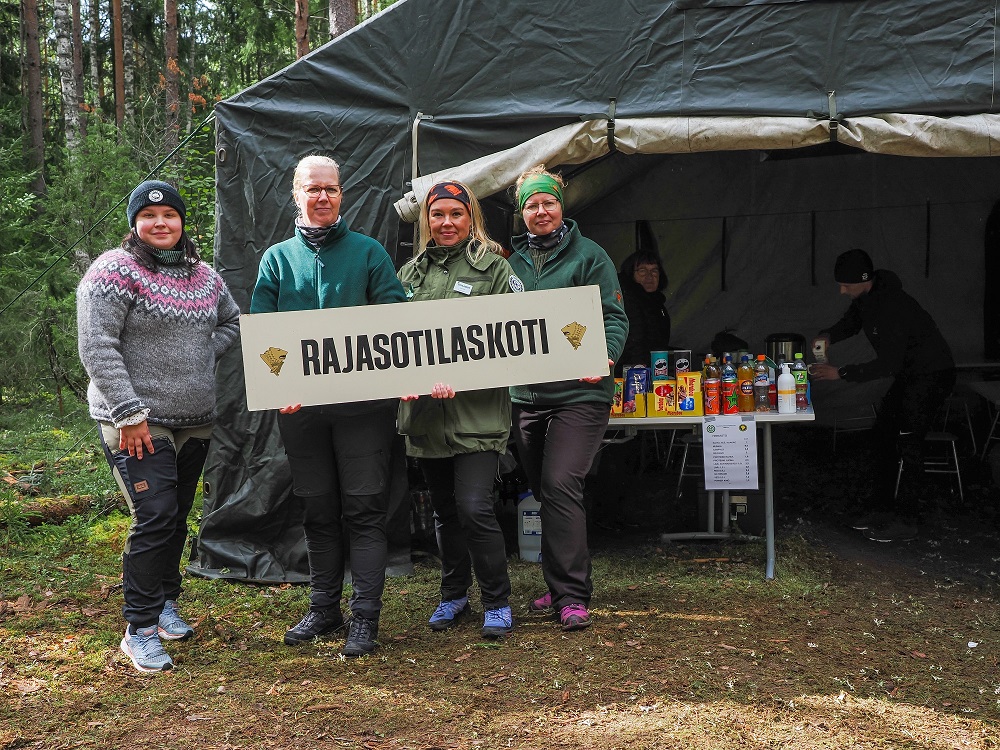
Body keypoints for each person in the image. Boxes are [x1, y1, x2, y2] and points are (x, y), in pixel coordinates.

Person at [77, 180, 240, 673]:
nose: (161, 223)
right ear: (135, 224)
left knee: (175, 515)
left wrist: (197, 357)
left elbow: (232, 322)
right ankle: (140, 627)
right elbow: (96, 345)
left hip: (196, 422)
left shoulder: (204, 275)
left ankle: (166, 601)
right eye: (150, 217)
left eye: (170, 215)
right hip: (136, 423)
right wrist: (128, 412)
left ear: (182, 222)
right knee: (154, 516)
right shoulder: (113, 271)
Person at [250, 155, 407, 657]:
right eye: (313, 189)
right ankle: (323, 608)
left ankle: (365, 617)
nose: (323, 197)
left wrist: (407, 374)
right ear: (296, 193)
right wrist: (280, 387)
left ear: (343, 195)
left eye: (332, 189)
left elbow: (396, 322)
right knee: (318, 511)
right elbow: (261, 336)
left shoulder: (368, 253)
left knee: (363, 510)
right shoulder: (276, 259)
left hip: (363, 411)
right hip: (302, 413)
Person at [505, 165, 628, 631]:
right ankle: (557, 585)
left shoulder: (590, 256)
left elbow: (614, 318)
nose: (541, 211)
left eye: (548, 203)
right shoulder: (509, 263)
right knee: (542, 489)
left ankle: (573, 596)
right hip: (527, 396)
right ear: (522, 213)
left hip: (581, 393)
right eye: (532, 205)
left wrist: (605, 355)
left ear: (561, 206)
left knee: (559, 484)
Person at [397, 180, 522, 639]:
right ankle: (453, 596)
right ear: (427, 222)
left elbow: (518, 341)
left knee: (474, 508)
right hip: (427, 420)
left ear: (472, 219)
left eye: (456, 214)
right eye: (437, 215)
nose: (446, 223)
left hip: (478, 417)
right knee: (445, 512)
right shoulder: (408, 276)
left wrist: (465, 376)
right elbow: (391, 345)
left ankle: (496, 601)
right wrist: (401, 383)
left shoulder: (494, 270)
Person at [811, 248, 955, 543]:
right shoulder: (866, 299)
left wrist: (842, 373)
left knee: (908, 442)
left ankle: (906, 520)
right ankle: (879, 509)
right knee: (883, 435)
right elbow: (852, 322)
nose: (841, 290)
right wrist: (829, 335)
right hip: (909, 376)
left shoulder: (892, 306)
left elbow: (889, 363)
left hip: (931, 375)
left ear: (863, 280)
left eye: (846, 284)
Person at [615, 248, 671, 376]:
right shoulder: (628, 301)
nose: (649, 276)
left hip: (650, 371)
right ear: (631, 273)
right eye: (642, 270)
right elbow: (635, 343)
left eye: (654, 271)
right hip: (633, 375)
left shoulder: (656, 303)